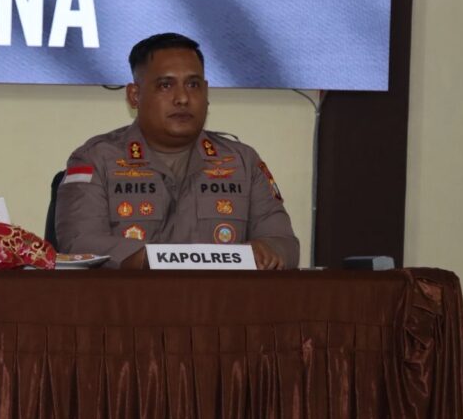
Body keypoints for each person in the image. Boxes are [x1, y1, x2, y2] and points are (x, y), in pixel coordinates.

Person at [55, 33, 299, 270]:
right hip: (132, 296)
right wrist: (156, 259)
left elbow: (284, 242)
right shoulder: (97, 159)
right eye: (165, 85)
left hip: (220, 297)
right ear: (135, 95)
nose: (183, 98)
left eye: (193, 85)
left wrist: (268, 249)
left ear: (206, 92)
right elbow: (79, 242)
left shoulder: (242, 162)